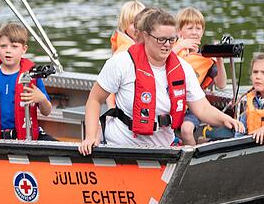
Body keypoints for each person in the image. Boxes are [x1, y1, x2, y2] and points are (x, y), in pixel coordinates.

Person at [78, 8, 243, 155]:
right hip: (121, 147)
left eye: (172, 40)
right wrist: (91, 137)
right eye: (161, 39)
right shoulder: (121, 62)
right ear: (145, 37)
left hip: (163, 149)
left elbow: (202, 108)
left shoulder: (183, 68)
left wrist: (224, 119)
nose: (167, 45)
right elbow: (94, 99)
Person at [173, 7, 228, 145]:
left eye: (198, 28)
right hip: (171, 104)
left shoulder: (206, 58)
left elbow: (221, 84)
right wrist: (180, 46)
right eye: (190, 28)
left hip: (192, 106)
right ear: (179, 31)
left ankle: (191, 158)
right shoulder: (171, 48)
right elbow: (161, 63)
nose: (194, 32)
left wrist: (219, 60)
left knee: (186, 130)